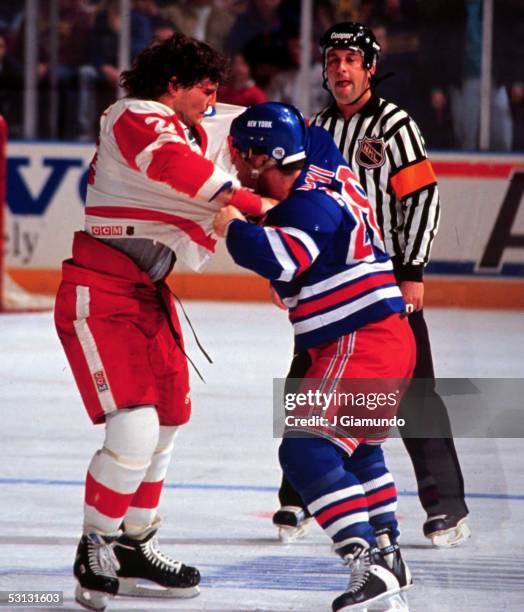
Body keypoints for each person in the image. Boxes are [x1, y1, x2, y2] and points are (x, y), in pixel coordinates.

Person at [54, 33, 272, 611]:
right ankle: (94, 543)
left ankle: (134, 544)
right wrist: (264, 205)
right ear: (171, 84)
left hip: (146, 295)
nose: (213, 98)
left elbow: (250, 132)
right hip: (100, 293)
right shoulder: (134, 115)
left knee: (170, 418)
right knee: (135, 427)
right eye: (204, 87)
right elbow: (188, 174)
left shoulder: (196, 126)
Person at [273, 21, 471, 548]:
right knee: (306, 382)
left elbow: (422, 199)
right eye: (333, 60)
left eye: (350, 61)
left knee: (416, 394)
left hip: (385, 285)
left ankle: (446, 507)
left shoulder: (396, 126)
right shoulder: (312, 130)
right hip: (329, 287)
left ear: (369, 68)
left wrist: (411, 271)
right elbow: (297, 205)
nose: (340, 69)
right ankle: (297, 497)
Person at [213, 101, 415, 610]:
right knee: (361, 451)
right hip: (381, 338)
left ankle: (365, 561)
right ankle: (389, 555)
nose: (236, 162)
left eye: (242, 152)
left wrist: (231, 226)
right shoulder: (318, 182)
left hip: (359, 340)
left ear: (267, 154)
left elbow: (277, 256)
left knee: (304, 449)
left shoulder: (307, 202)